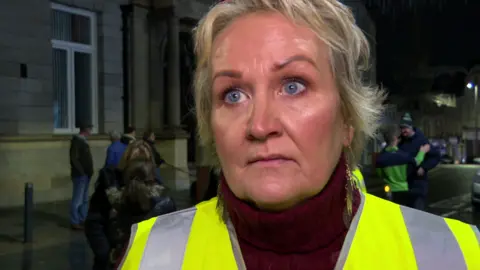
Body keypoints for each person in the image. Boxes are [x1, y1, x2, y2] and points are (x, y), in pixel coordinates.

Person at [119, 0, 480, 269]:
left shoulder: (455, 254)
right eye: (233, 94)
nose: (260, 126)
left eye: (293, 86)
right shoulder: (150, 255)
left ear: (347, 118)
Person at [85, 140, 156, 270]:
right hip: (105, 232)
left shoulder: (153, 183)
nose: (139, 165)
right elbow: (97, 215)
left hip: (132, 239)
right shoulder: (111, 179)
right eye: (135, 160)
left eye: (143, 160)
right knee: (104, 260)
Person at [376, 125, 431, 206]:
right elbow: (417, 161)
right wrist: (422, 152)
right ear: (395, 139)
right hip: (403, 190)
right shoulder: (403, 156)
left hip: (389, 191)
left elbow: (380, 174)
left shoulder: (381, 158)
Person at [398, 112, 441, 210]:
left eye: (405, 128)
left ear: (411, 127)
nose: (403, 131)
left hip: (418, 185)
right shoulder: (400, 142)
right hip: (404, 187)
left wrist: (424, 167)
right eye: (401, 128)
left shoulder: (421, 140)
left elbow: (436, 156)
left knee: (417, 214)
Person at [70, 123, 94, 230]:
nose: (91, 132)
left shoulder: (83, 141)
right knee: (77, 199)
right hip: (80, 175)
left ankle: (82, 218)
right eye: (90, 129)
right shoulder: (77, 142)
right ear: (86, 129)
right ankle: (74, 221)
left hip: (86, 175)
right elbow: (74, 159)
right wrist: (82, 171)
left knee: (84, 199)